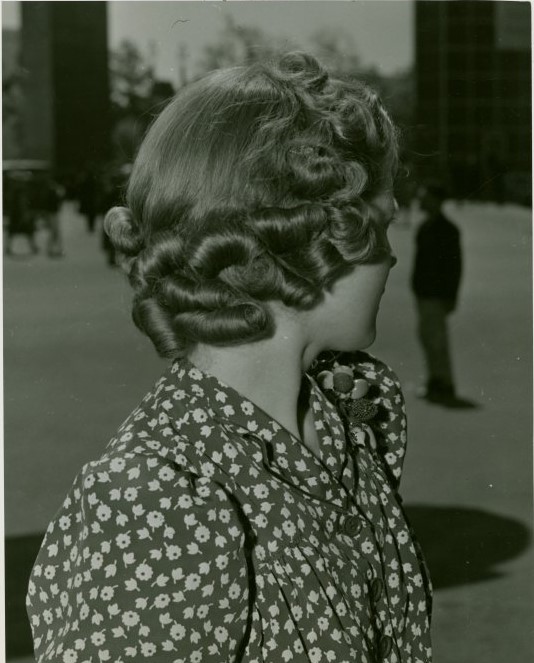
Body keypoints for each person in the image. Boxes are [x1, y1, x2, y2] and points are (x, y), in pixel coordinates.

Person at [27, 52, 433, 663]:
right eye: (381, 223)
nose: (393, 257)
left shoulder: (347, 414)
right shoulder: (159, 506)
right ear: (302, 237)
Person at [411, 183, 471, 407]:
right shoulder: (425, 227)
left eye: (426, 197)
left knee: (437, 340)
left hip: (436, 295)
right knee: (427, 338)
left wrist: (451, 296)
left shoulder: (447, 230)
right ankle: (435, 379)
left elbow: (455, 267)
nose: (422, 202)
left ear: (436, 200)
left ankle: (444, 382)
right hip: (424, 293)